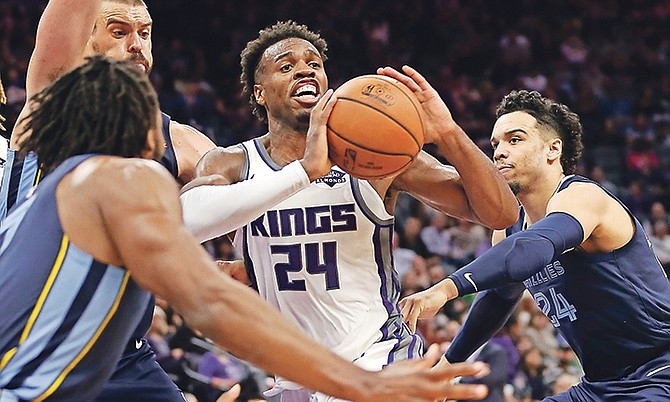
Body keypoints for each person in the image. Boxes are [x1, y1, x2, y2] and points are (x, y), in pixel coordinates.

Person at [0, 56, 491, 402]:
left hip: (368, 350)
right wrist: (361, 386)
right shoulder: (125, 177)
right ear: (150, 132)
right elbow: (209, 300)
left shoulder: (32, 208)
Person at [181, 20, 519, 401]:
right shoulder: (231, 164)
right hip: (298, 379)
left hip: (382, 362)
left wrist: (447, 132)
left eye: (313, 63)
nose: (305, 69)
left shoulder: (373, 156)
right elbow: (182, 221)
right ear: (260, 93)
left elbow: (501, 214)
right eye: (286, 66)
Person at [0, 1, 217, 400]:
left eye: (145, 33)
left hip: (124, 358)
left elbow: (258, 195)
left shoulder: (177, 140)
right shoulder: (50, 108)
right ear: (83, 41)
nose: (138, 46)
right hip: (26, 346)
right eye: (119, 32)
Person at [399, 89, 670, 400]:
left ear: (552, 149)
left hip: (659, 371)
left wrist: (446, 288)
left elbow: (531, 250)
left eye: (515, 140)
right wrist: (445, 371)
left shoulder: (583, 198)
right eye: (496, 144)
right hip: (600, 385)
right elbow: (498, 301)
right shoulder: (509, 230)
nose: (499, 152)